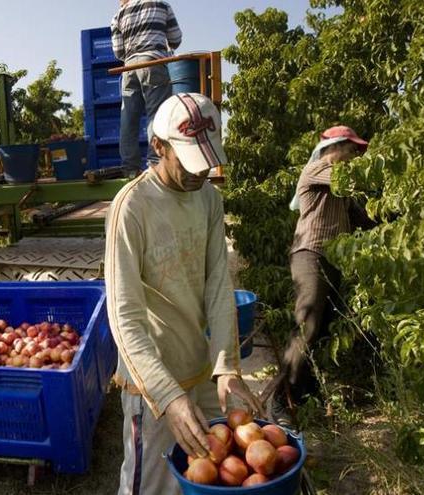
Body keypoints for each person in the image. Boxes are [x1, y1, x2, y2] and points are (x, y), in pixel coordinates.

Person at [105, 93, 263, 495]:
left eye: (207, 163)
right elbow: (125, 318)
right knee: (152, 487)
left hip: (200, 367)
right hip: (154, 381)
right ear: (158, 146)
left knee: (220, 476)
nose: (201, 174)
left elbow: (217, 285)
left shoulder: (208, 198)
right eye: (191, 162)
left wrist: (226, 366)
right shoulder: (132, 207)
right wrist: (168, 396)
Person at [270, 126, 373, 426]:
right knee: (308, 325)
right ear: (334, 148)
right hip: (310, 255)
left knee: (322, 329)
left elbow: (363, 218)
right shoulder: (317, 169)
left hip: (332, 261)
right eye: (351, 150)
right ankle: (278, 398)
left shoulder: (341, 191)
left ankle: (302, 395)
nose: (355, 156)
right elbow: (350, 180)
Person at [111, 0, 182, 171]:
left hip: (129, 67)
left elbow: (118, 52)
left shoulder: (118, 15)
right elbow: (175, 39)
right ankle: (155, 162)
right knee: (155, 114)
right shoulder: (161, 5)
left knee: (128, 118)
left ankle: (130, 166)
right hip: (154, 61)